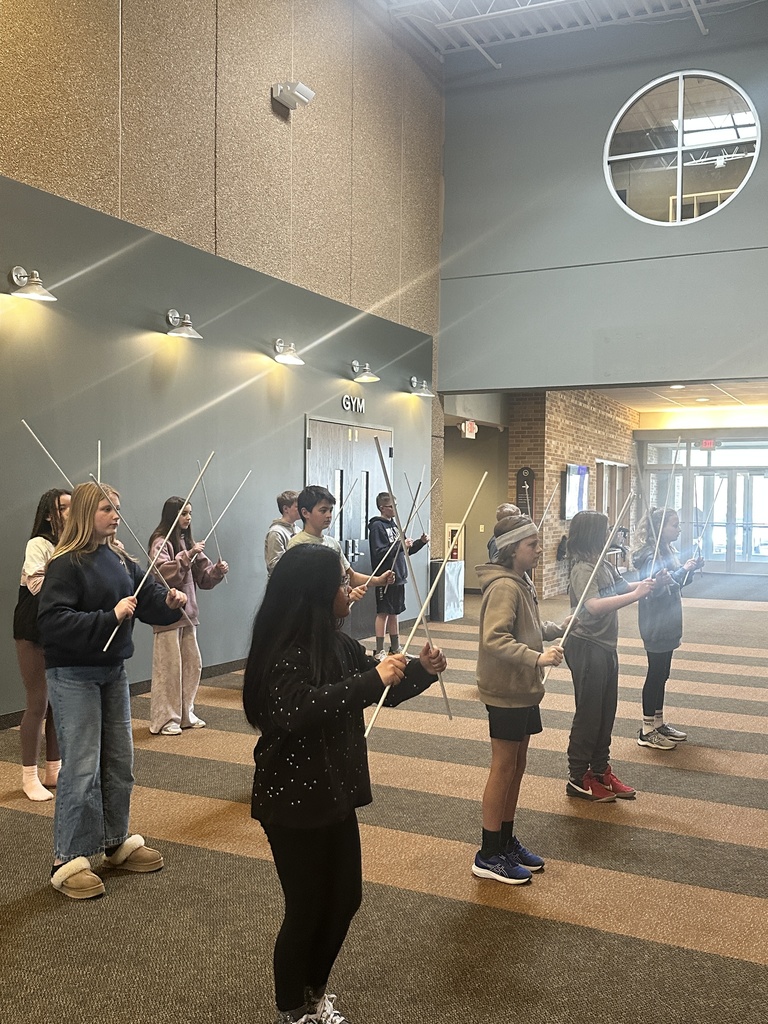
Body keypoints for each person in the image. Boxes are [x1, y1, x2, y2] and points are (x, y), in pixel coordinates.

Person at [242, 544, 446, 1024]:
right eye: (340, 582)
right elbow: (300, 709)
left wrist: (418, 671)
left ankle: (314, 992)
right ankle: (293, 1008)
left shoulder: (337, 642)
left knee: (345, 898)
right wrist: (371, 679)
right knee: (306, 906)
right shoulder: (284, 651)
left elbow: (378, 693)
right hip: (291, 799)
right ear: (314, 593)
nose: (350, 589)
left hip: (333, 791)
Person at [38, 482, 187, 900]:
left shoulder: (120, 557)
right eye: (107, 508)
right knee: (82, 769)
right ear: (88, 512)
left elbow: (148, 598)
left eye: (117, 508)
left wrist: (169, 601)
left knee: (119, 763)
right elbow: (51, 623)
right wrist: (109, 616)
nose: (116, 515)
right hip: (73, 674)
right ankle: (67, 858)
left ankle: (114, 842)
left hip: (111, 671)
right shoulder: (66, 563)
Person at [472, 514, 567, 884]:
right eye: (533, 545)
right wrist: (537, 657)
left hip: (524, 687)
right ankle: (488, 853)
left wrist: (554, 629)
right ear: (513, 550)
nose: (540, 549)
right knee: (503, 767)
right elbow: (494, 638)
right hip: (506, 689)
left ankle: (506, 840)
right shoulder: (504, 587)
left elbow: (524, 628)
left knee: (518, 764)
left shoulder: (520, 582)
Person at [564, 510, 656, 802]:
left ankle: (601, 770)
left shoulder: (601, 562)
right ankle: (579, 777)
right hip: (586, 646)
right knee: (589, 715)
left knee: (606, 713)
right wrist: (637, 595)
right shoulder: (581, 569)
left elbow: (618, 588)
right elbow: (593, 606)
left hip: (605, 645)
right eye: (606, 530)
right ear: (593, 534)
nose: (611, 535)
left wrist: (648, 585)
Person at [147, 496, 228, 736]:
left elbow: (204, 577)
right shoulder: (161, 541)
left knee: (192, 666)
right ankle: (165, 719)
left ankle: (185, 712)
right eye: (183, 513)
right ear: (172, 515)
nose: (188, 518)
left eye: (190, 513)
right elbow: (160, 574)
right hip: (168, 614)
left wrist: (217, 571)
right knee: (168, 669)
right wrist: (187, 555)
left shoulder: (187, 542)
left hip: (189, 615)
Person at [13, 488, 71, 801]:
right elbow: (37, 585)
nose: (69, 512)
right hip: (31, 628)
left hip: (56, 630)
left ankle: (54, 768)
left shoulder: (70, 546)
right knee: (37, 701)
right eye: (63, 508)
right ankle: (28, 776)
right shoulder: (39, 544)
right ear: (49, 514)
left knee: (56, 704)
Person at [632, 507, 702, 749]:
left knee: (663, 674)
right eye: (674, 525)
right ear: (659, 528)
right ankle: (646, 729)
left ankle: (658, 723)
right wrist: (683, 570)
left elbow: (676, 582)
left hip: (669, 620)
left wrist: (689, 570)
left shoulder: (667, 550)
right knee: (655, 674)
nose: (679, 529)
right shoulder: (648, 555)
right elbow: (657, 587)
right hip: (655, 622)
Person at [287, 485, 394, 598]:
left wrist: (378, 580)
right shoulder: (297, 545)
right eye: (323, 511)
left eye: (330, 510)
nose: (329, 515)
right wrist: (344, 598)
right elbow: (302, 589)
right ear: (305, 513)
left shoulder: (332, 543)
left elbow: (351, 576)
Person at [367, 491, 429, 661]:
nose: (394, 509)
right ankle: (379, 650)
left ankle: (396, 648)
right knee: (383, 613)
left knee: (395, 613)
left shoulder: (394, 525)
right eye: (391, 506)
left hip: (399, 575)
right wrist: (401, 546)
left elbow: (405, 551)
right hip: (385, 576)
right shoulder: (376, 527)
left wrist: (420, 543)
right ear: (382, 508)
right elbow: (379, 553)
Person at [265, 489, 301, 575]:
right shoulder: (276, 532)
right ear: (286, 509)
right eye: (297, 507)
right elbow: (274, 565)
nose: (301, 509)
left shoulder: (298, 530)